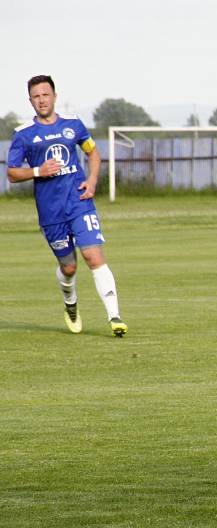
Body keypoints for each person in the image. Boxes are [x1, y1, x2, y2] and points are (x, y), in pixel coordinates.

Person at [7, 75, 127, 337]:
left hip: (79, 201)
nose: (41, 100)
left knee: (93, 257)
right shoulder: (24, 135)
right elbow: (12, 174)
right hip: (51, 212)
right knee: (69, 267)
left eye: (45, 94)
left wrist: (93, 181)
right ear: (30, 101)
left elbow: (92, 153)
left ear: (54, 96)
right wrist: (38, 170)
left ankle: (115, 317)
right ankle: (70, 303)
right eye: (36, 96)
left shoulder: (74, 125)